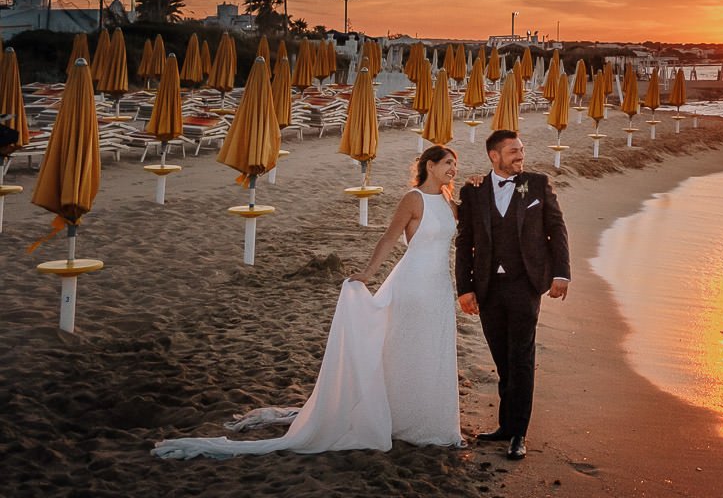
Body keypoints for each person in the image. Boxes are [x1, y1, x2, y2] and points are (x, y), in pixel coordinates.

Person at [152, 147, 465, 459]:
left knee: (433, 350)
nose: (453, 168)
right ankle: (401, 417)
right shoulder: (413, 199)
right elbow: (388, 238)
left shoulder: (449, 201)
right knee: (407, 348)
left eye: (456, 164)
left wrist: (478, 185)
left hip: (439, 287)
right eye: (448, 163)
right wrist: (368, 273)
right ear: (430, 165)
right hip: (412, 284)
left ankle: (427, 418)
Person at [456, 130, 569, 461]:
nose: (520, 156)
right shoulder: (473, 191)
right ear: (494, 156)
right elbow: (464, 242)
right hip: (488, 288)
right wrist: (465, 288)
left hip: (525, 285)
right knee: (502, 358)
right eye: (513, 152)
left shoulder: (535, 184)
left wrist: (561, 274)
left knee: (520, 357)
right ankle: (506, 426)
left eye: (521, 150)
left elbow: (556, 229)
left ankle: (519, 432)